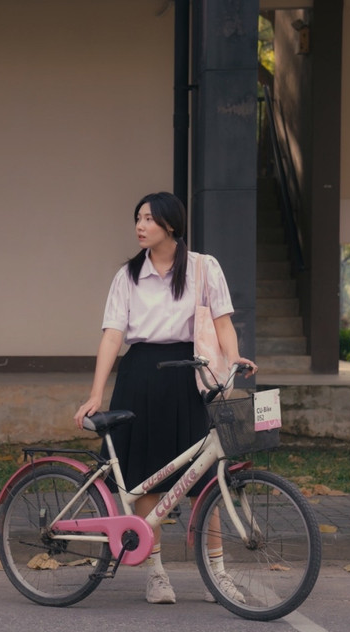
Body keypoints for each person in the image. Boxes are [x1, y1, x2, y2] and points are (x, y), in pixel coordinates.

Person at [73, 191, 256, 605]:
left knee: (204, 480)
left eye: (149, 219)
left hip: (187, 378)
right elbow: (113, 336)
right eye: (137, 218)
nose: (140, 226)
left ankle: (218, 574)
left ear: (171, 226)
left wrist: (233, 358)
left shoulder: (203, 269)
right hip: (139, 378)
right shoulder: (128, 276)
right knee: (146, 483)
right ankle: (155, 573)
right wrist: (95, 393)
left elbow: (223, 323)